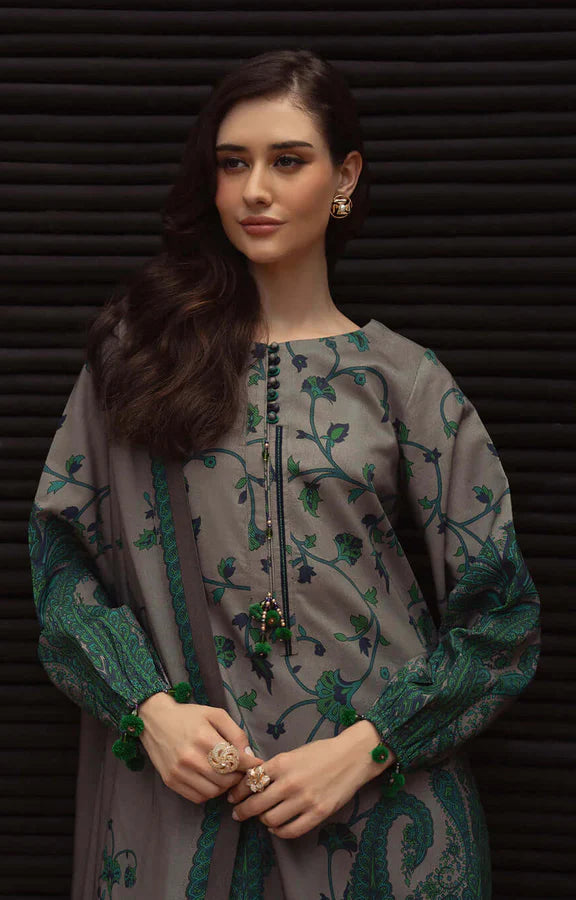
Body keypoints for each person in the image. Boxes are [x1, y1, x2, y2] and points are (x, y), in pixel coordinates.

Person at [28, 49, 541, 899]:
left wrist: (368, 747)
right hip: (187, 807)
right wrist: (147, 710)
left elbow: (502, 620)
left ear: (345, 178)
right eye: (233, 164)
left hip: (383, 815)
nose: (255, 190)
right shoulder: (140, 358)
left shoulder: (403, 381)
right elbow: (59, 562)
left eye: (288, 161)